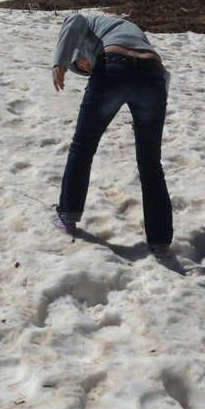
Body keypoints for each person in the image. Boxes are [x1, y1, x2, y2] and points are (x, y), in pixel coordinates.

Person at [51, 13, 173, 257]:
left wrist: (60, 62)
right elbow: (164, 75)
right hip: (153, 76)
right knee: (151, 163)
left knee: (83, 146)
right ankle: (160, 242)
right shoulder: (126, 28)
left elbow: (74, 20)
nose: (87, 67)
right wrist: (148, 115)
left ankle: (67, 215)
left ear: (81, 48)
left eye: (83, 64)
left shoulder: (89, 25)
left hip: (113, 67)